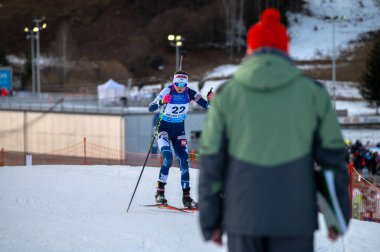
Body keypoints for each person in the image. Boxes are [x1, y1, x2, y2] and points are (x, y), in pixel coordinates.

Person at [198, 8, 350, 252]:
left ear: (250, 49)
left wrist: (210, 220)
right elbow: (333, 161)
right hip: (295, 219)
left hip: (242, 218)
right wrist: (337, 216)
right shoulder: (313, 94)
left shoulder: (228, 94)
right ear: (285, 50)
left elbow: (211, 162)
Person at [148, 70, 213, 208]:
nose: (180, 87)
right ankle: (160, 193)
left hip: (179, 131)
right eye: (177, 83)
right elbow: (150, 108)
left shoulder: (189, 93)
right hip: (164, 129)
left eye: (182, 84)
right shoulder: (167, 91)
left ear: (186, 84)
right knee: (168, 158)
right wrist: (161, 101)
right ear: (173, 82)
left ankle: (186, 197)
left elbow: (207, 106)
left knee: (184, 159)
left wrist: (211, 101)